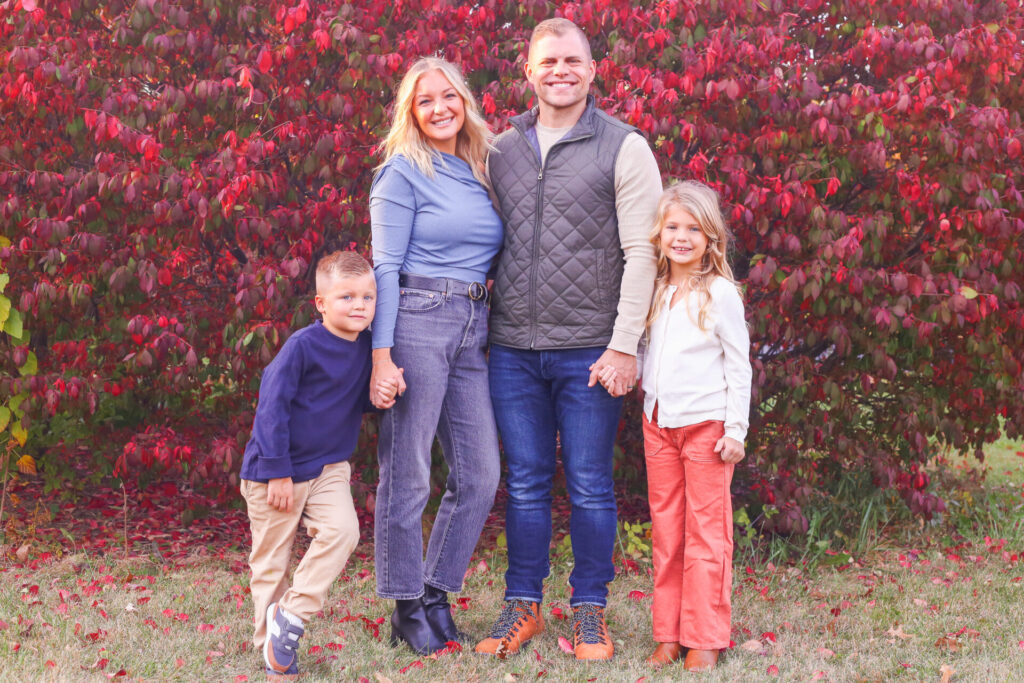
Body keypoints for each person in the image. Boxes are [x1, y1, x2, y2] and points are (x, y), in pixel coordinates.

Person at [475, 18, 662, 661]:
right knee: (525, 482)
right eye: (548, 60)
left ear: (592, 68)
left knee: (588, 483)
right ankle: (521, 606)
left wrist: (624, 344)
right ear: (527, 70)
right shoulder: (499, 150)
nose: (560, 71)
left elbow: (644, 252)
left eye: (572, 60)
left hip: (590, 348)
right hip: (513, 350)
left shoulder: (624, 146)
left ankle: (589, 611)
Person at [369, 56, 503, 655]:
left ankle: (434, 592)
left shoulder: (477, 169)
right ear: (411, 112)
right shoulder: (402, 172)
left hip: (475, 324)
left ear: (465, 102)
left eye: (449, 96)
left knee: (479, 474)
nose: (440, 108)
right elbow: (386, 268)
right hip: (419, 319)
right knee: (410, 473)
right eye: (426, 101)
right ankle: (404, 606)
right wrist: (382, 356)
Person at [239, 251, 392, 680]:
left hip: (327, 468)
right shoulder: (302, 347)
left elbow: (349, 399)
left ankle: (290, 616)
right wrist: (277, 471)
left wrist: (379, 396)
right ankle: (270, 650)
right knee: (270, 563)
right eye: (346, 296)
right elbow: (272, 407)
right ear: (321, 304)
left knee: (344, 531)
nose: (359, 305)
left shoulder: (366, 349)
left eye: (368, 296)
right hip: (276, 470)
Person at [632, 181, 752, 671]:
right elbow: (645, 353)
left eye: (692, 228)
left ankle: (704, 636)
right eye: (672, 227)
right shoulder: (655, 290)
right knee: (668, 531)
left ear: (710, 236)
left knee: (707, 533)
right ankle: (669, 634)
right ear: (659, 234)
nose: (681, 237)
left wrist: (736, 430)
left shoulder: (720, 293)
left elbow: (739, 363)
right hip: (658, 424)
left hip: (707, 428)